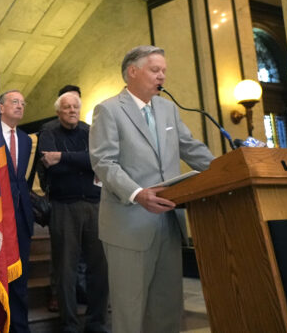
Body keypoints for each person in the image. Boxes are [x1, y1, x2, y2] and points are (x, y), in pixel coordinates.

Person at [89, 46, 214, 333]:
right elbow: (104, 163)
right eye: (155, 70)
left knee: (167, 308)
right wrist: (137, 193)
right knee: (130, 312)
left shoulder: (167, 108)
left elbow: (191, 149)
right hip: (128, 224)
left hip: (168, 221)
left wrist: (228, 169)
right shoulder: (108, 109)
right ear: (133, 71)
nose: (162, 76)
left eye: (164, 71)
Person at [39, 93, 108, 333]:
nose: (71, 110)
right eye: (66, 107)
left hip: (95, 206)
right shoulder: (48, 132)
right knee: (65, 269)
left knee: (100, 268)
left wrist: (63, 157)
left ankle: (97, 323)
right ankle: (68, 324)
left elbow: (98, 161)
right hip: (63, 207)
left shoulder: (90, 131)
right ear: (58, 112)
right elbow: (52, 169)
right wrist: (81, 161)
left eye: (75, 107)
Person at [0, 90, 34, 333]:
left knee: (20, 280)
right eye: (14, 102)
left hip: (22, 217)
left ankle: (21, 328)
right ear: (0, 107)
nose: (20, 106)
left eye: (22, 103)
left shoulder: (26, 139)